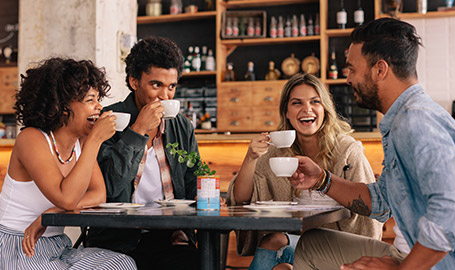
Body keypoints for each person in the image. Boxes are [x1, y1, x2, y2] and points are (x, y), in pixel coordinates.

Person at [290, 18, 455, 270]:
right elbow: (381, 201)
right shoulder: (404, 118)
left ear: (380, 69)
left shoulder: (415, 121)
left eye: (352, 69)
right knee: (312, 244)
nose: (348, 79)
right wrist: (322, 180)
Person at [227, 73, 383, 270]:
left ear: (325, 108)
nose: (306, 109)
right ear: (286, 112)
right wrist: (250, 157)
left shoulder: (347, 151)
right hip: (296, 244)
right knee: (277, 253)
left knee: (278, 253)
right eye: (297, 103)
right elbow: (240, 199)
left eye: (315, 102)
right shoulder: (276, 153)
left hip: (340, 249)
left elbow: (368, 217)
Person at [0, 57, 137, 269]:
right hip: (19, 244)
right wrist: (95, 140)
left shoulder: (80, 142)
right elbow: (67, 199)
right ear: (63, 106)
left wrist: (51, 214)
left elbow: (98, 195)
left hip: (57, 246)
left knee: (121, 264)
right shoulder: (31, 138)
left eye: (98, 99)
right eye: (91, 100)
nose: (99, 107)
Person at [85, 36, 200, 270]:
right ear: (134, 81)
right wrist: (138, 131)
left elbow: (193, 181)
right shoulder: (109, 120)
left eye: (171, 87)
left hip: (171, 237)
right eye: (156, 85)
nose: (165, 96)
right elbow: (109, 187)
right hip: (120, 239)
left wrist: (205, 196)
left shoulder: (182, 126)